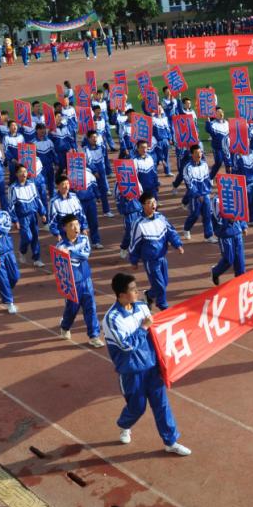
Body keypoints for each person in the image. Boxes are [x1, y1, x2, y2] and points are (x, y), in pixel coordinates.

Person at [101, 272, 191, 455]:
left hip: (152, 366)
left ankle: (171, 441)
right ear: (121, 295)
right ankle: (124, 425)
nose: (137, 292)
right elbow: (127, 346)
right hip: (132, 372)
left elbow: (155, 329)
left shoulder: (142, 307)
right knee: (137, 408)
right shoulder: (112, 319)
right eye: (133, 289)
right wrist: (143, 327)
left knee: (161, 404)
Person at [128, 192, 184, 310]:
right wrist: (134, 260)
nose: (153, 205)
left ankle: (149, 295)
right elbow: (134, 244)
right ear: (143, 205)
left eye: (154, 202)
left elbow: (171, 232)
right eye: (149, 203)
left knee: (164, 283)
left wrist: (178, 245)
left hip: (162, 257)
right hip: (150, 261)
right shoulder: (138, 224)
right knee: (160, 286)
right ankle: (163, 307)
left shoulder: (161, 218)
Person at [55, 215, 104, 347]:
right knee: (72, 309)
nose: (76, 227)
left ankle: (94, 336)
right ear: (65, 228)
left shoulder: (84, 239)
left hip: (86, 279)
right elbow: (60, 267)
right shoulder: (60, 246)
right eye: (72, 225)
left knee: (91, 307)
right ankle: (65, 326)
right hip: (72, 283)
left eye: (77, 224)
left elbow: (85, 255)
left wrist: (70, 252)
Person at [8, 164, 47, 267]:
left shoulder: (31, 184)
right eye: (21, 172)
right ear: (16, 174)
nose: (24, 174)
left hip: (33, 215)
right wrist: (15, 220)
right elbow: (11, 205)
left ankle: (37, 259)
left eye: (25, 171)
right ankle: (22, 251)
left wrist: (42, 213)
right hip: (22, 217)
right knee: (27, 237)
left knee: (35, 237)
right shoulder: (13, 188)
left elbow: (37, 199)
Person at [210, 194, 247, 285]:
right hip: (225, 234)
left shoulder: (234, 195)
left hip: (237, 233)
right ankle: (215, 272)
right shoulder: (216, 201)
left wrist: (243, 226)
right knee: (228, 260)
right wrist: (228, 220)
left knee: (240, 261)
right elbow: (217, 219)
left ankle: (240, 283)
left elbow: (240, 212)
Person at [181, 145, 215, 242]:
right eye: (196, 153)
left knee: (207, 215)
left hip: (205, 194)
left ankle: (208, 236)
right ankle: (186, 228)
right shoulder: (188, 168)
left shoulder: (204, 164)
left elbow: (207, 178)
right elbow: (189, 184)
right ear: (192, 154)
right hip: (194, 196)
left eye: (200, 152)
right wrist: (197, 195)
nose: (199, 155)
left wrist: (209, 189)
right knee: (195, 215)